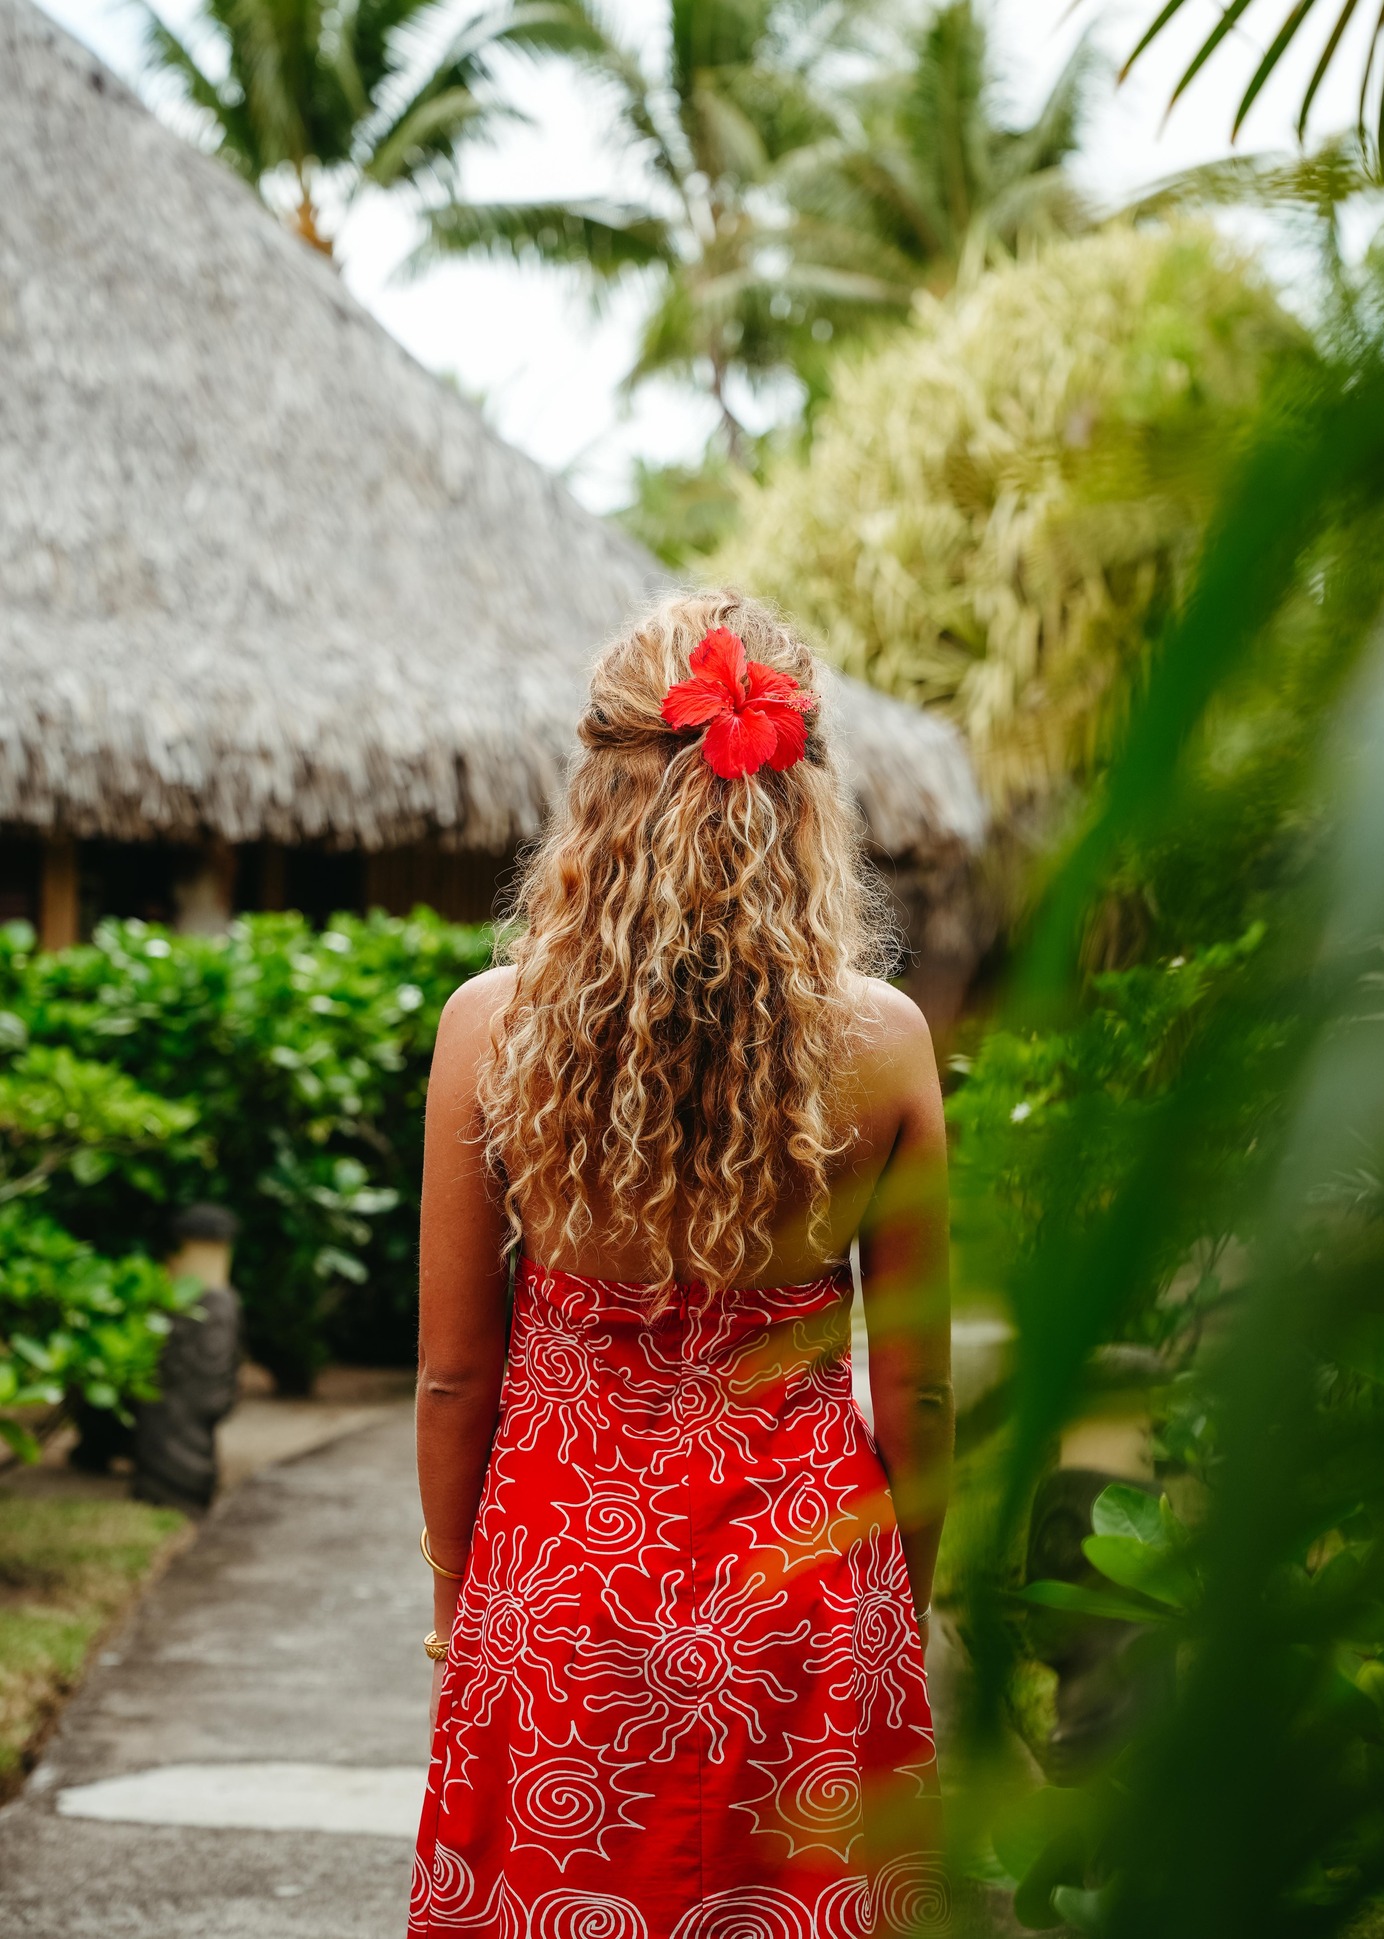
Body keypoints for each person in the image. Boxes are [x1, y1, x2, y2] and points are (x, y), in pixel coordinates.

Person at [410, 593, 955, 1939]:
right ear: (803, 800)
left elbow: (451, 1373)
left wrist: (456, 1603)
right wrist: (902, 1606)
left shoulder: (494, 1029)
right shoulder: (882, 1041)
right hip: (805, 1589)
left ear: (594, 793)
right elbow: (920, 1393)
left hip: (556, 1579)